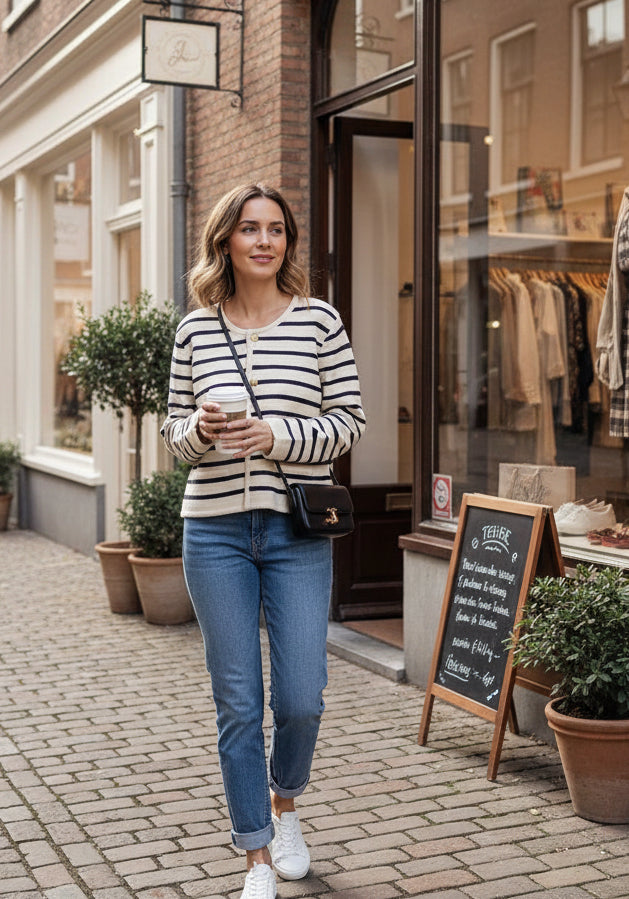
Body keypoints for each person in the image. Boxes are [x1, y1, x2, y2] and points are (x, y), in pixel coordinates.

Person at [161, 183, 366, 899]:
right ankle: (253, 853)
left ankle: (286, 807)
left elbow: (348, 422)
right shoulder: (195, 330)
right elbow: (172, 439)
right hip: (213, 532)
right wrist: (201, 430)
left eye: (276, 229)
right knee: (238, 700)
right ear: (225, 240)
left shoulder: (318, 322)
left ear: (287, 242)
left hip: (295, 530)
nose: (263, 240)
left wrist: (276, 436)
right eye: (249, 228)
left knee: (302, 693)